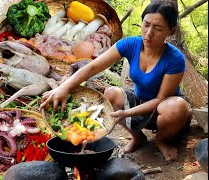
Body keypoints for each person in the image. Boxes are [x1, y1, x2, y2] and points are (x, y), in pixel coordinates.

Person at [39, 1, 191, 161]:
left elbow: (160, 99)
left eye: (158, 28)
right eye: (146, 24)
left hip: (165, 110)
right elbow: (92, 67)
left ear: (171, 31)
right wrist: (64, 87)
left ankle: (161, 140)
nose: (148, 33)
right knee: (112, 93)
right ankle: (138, 138)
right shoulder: (131, 44)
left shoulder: (175, 59)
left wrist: (127, 113)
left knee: (177, 107)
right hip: (140, 101)